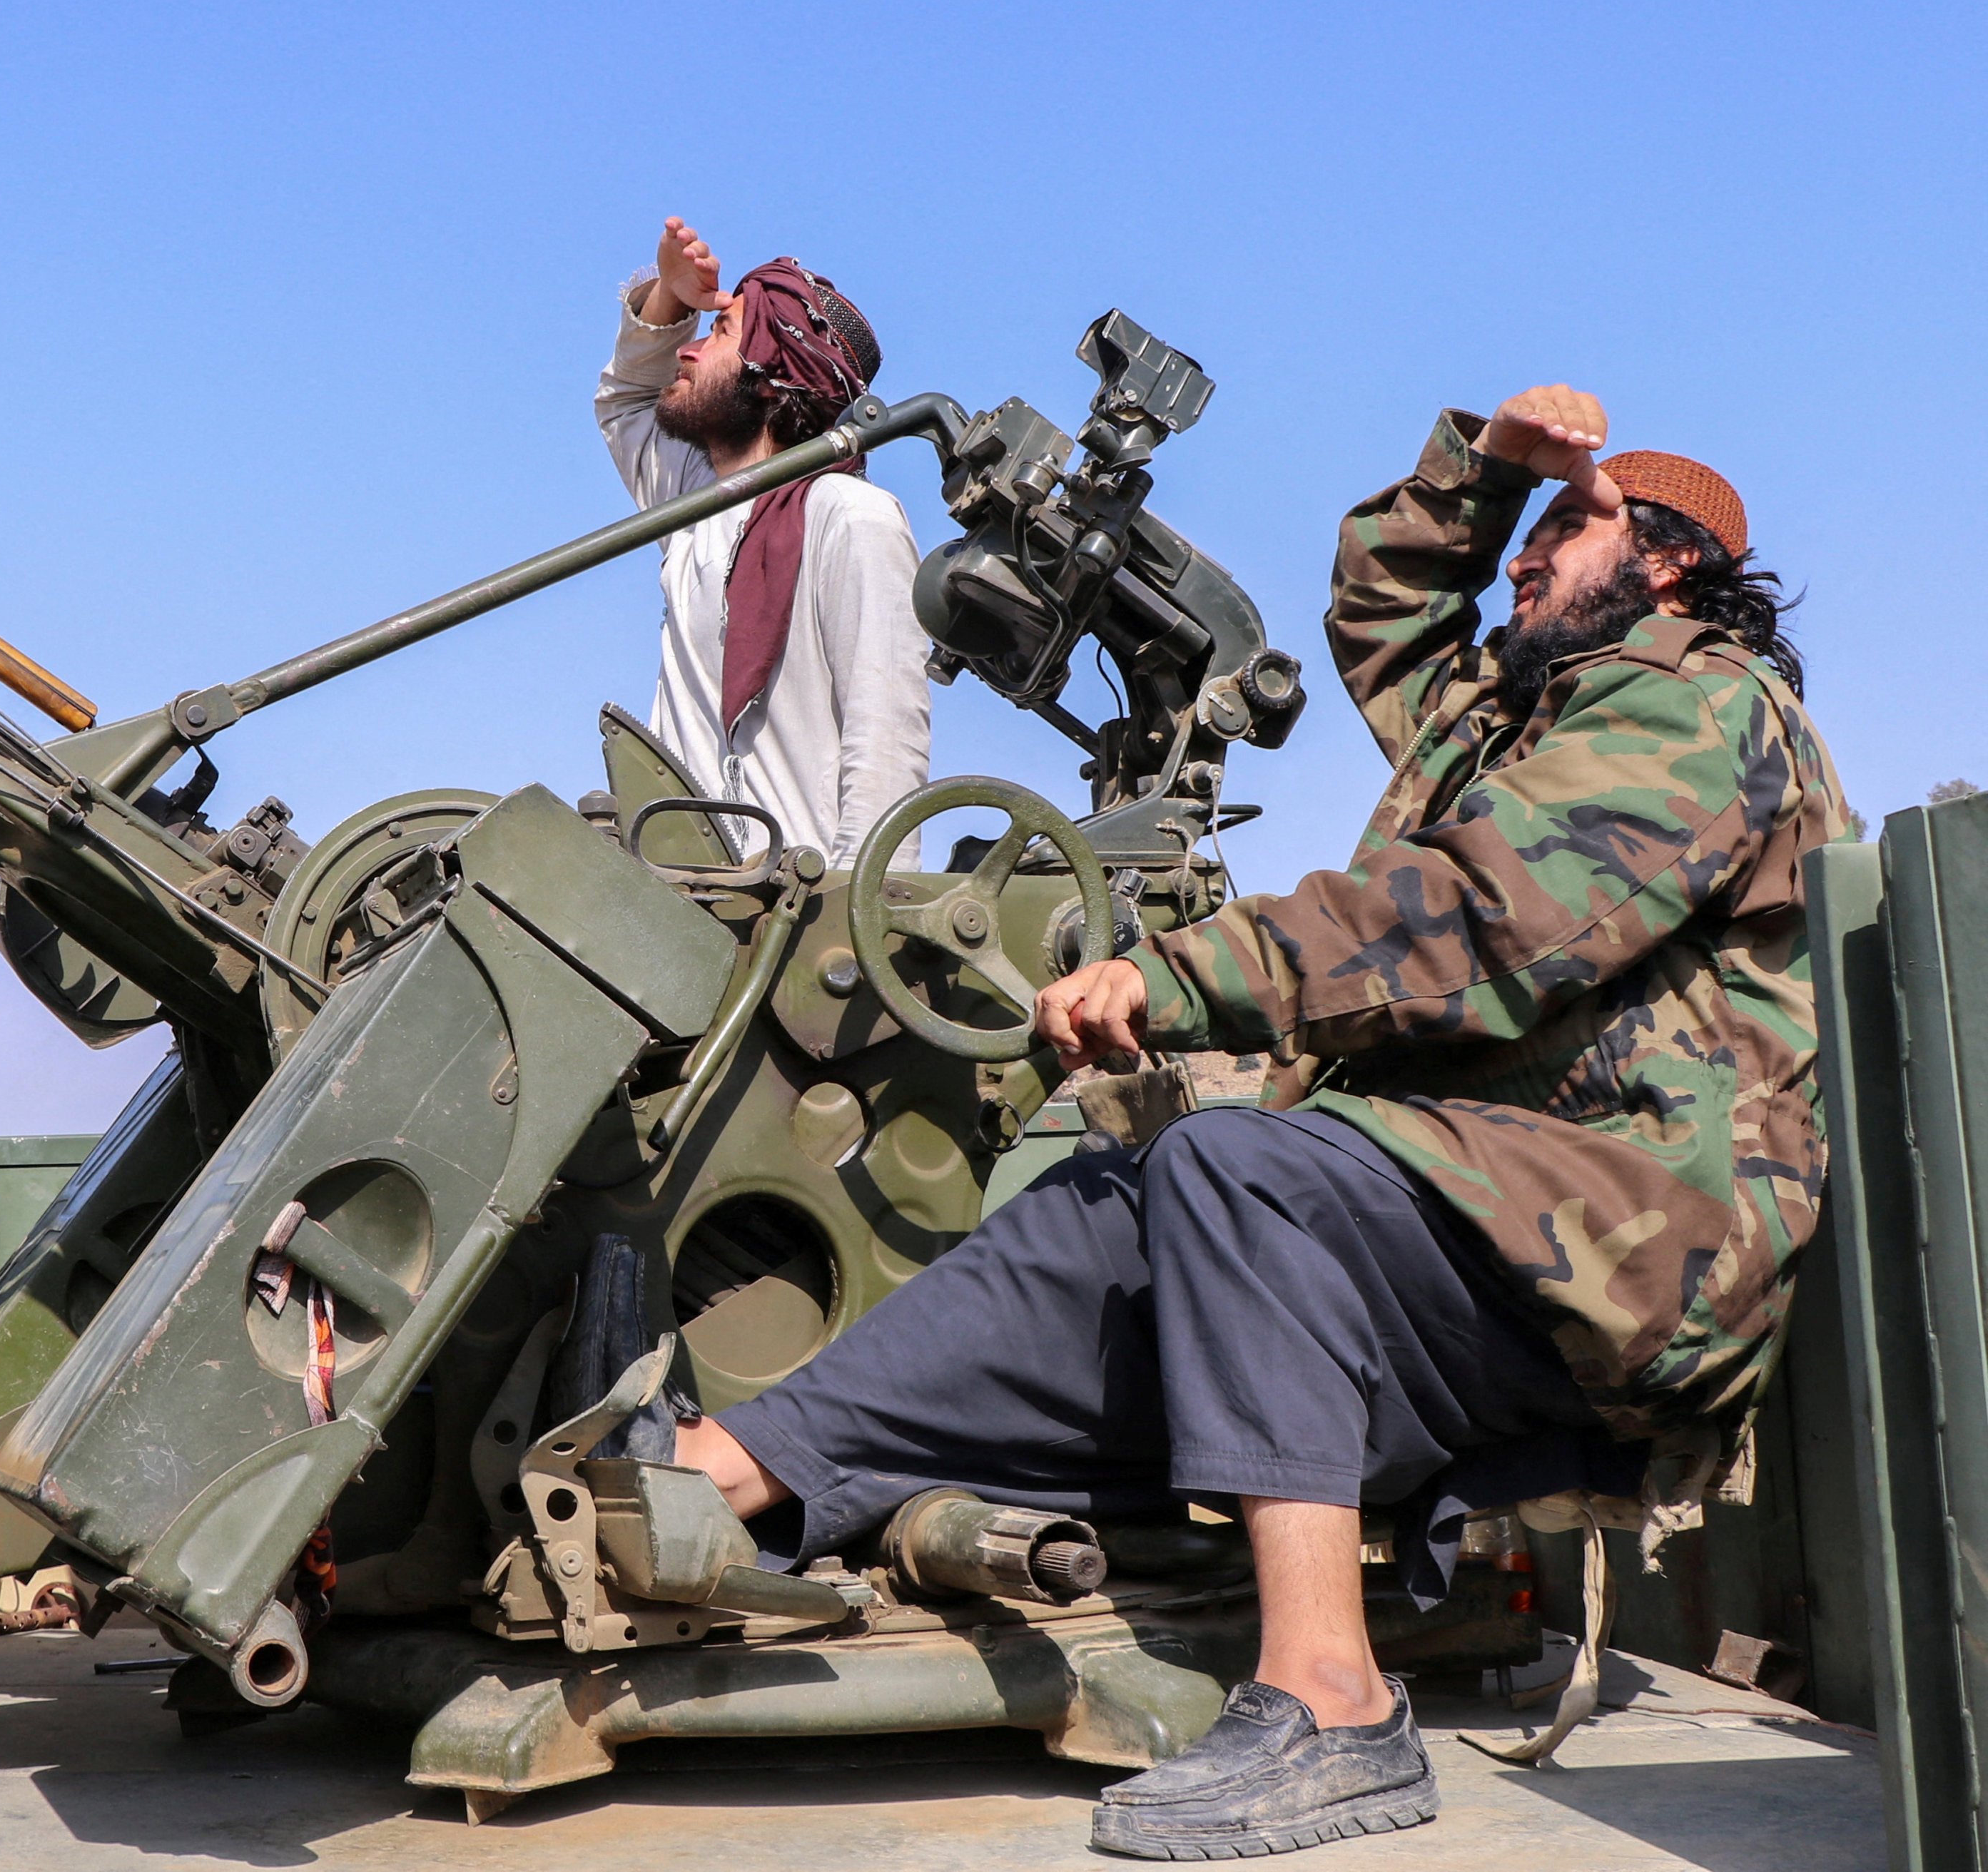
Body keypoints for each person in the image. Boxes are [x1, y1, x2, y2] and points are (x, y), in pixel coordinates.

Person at [674, 385, 1853, 1858]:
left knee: (1240, 1170)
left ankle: (1332, 1702)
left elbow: (1485, 916)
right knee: (1102, 1211)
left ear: (1669, 562)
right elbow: (1384, 614)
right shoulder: (1513, 712)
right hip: (1482, 1221)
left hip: (1630, 1242)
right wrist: (1485, 471)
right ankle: (730, 1465)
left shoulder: (1701, 703)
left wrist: (1177, 976)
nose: (1527, 556)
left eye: (1567, 526)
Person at [597, 218, 931, 868]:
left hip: (794, 907)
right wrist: (669, 297)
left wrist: (859, 911)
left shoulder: (850, 517)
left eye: (720, 333)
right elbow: (628, 403)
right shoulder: (696, 501)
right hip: (679, 899)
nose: (689, 350)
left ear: (771, 377)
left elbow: (886, 742)